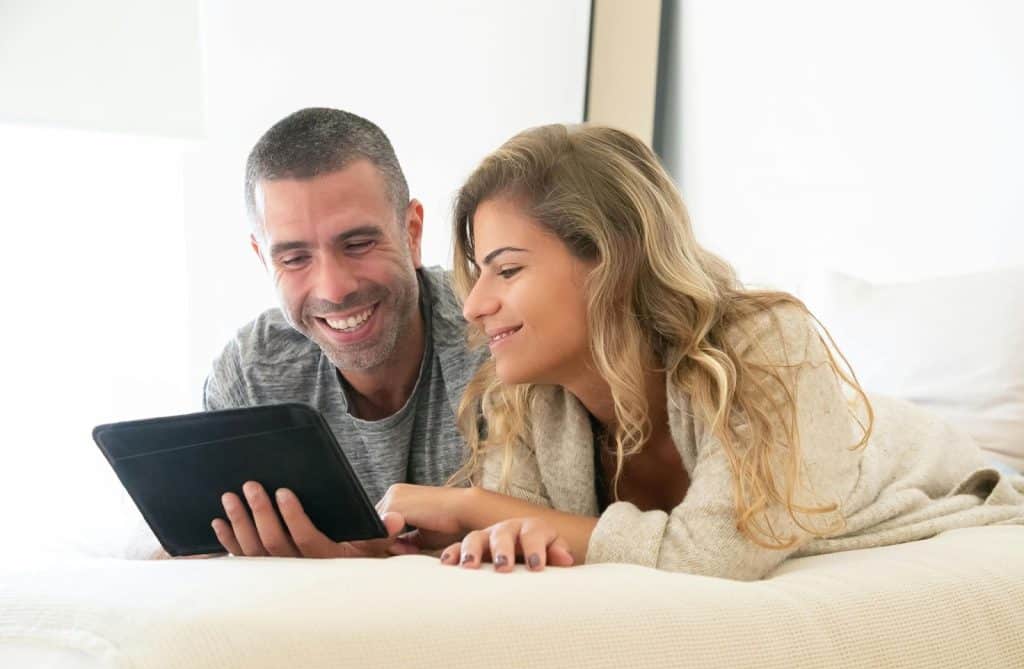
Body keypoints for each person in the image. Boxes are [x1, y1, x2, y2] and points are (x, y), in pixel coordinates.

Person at [378, 123, 1024, 579]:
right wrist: (456, 535)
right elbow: (537, 532)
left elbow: (718, 553)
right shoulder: (536, 402)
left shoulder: (766, 342)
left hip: (930, 473)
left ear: (611, 263)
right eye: (477, 274)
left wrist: (471, 506)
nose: (472, 305)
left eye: (508, 271)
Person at [202, 107, 483, 558]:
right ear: (262, 258)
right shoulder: (250, 372)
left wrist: (356, 569)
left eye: (358, 245)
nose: (333, 289)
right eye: (294, 259)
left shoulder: (494, 336)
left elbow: (546, 546)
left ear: (412, 232)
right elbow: (179, 547)